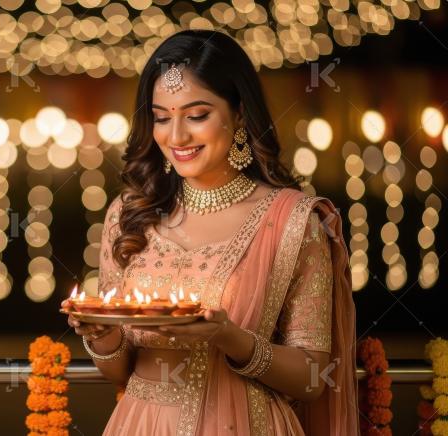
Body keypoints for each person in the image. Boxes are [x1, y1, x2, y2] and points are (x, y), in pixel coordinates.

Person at [66, 29, 359, 435]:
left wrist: (229, 337)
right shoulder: (128, 215)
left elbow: (314, 377)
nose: (176, 136)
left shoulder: (293, 220)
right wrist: (103, 335)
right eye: (162, 117)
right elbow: (118, 372)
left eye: (197, 115)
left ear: (239, 113)